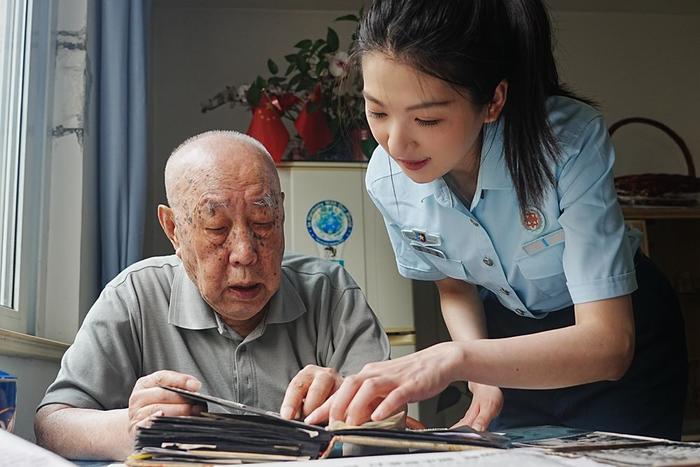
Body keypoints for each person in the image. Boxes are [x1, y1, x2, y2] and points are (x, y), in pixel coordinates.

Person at [298, 0, 688, 440]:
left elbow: (609, 345)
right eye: (378, 112)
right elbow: (453, 284)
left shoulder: (567, 143)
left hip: (612, 328)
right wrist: (481, 374)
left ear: (493, 101)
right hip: (503, 342)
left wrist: (458, 358)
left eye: (427, 118)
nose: (396, 142)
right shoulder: (387, 178)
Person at [34, 131, 390, 460]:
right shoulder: (134, 297)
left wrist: (355, 408)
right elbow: (52, 423)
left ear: (281, 212)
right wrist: (133, 427)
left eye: (264, 221)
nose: (245, 253)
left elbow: (390, 426)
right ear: (173, 229)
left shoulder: (332, 293)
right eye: (217, 228)